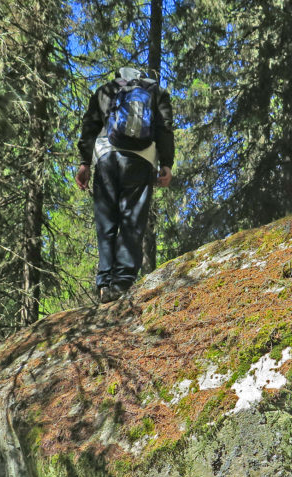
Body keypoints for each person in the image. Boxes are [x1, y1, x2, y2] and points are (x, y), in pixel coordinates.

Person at [75, 66, 175, 303]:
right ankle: (121, 282)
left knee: (106, 222)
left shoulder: (106, 90)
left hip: (107, 159)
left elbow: (89, 126)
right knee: (132, 222)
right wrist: (167, 163)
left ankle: (104, 283)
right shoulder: (157, 93)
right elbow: (165, 129)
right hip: (141, 162)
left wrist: (84, 164)